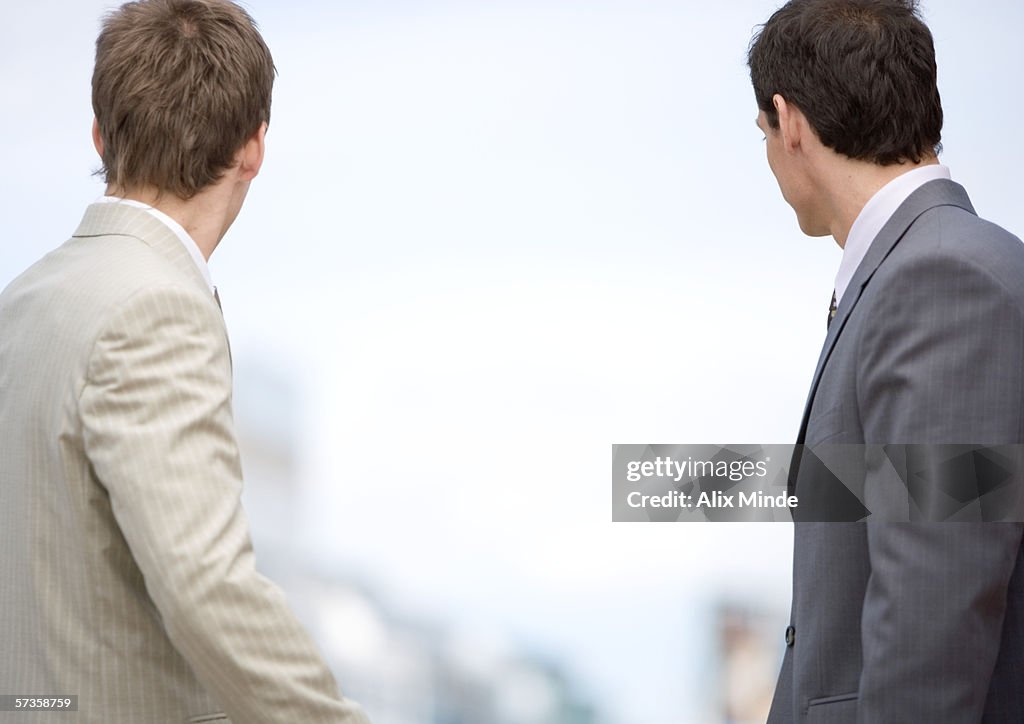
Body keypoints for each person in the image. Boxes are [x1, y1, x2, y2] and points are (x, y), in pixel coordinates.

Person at [0, 1, 370, 722]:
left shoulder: (21, 302)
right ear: (253, 148)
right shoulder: (154, 309)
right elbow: (207, 586)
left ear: (102, 135)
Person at [747, 0, 1024, 721]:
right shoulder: (930, 268)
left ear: (791, 122)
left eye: (763, 132)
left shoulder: (940, 280)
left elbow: (934, 609)